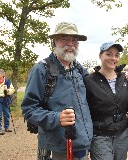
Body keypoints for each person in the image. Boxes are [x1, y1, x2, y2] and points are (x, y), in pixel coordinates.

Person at [21, 22, 93, 160]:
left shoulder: (79, 69)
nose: (70, 44)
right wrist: (57, 117)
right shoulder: (41, 70)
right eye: (64, 39)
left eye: (74, 40)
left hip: (82, 143)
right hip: (56, 147)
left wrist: (119, 76)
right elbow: (28, 109)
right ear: (54, 41)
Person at [84, 42, 128, 160]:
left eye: (116, 55)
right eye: (109, 54)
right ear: (100, 55)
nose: (113, 58)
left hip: (122, 134)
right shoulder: (89, 81)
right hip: (100, 135)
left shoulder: (124, 79)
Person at [0, 69, 15, 135]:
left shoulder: (8, 81)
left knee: (7, 114)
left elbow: (12, 90)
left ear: (2, 75)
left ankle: (7, 127)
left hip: (6, 99)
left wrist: (7, 90)